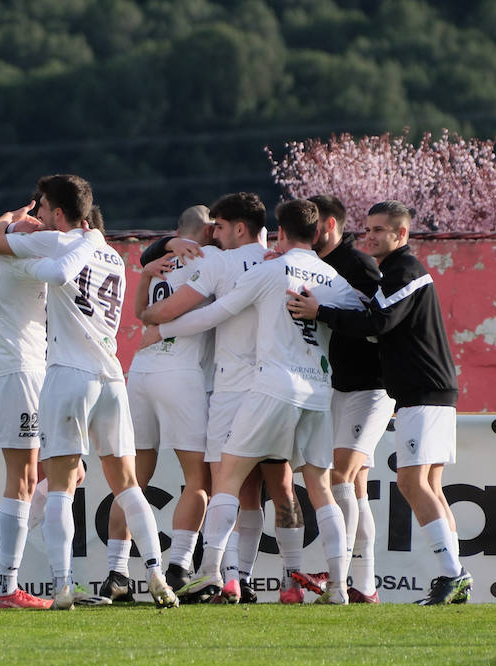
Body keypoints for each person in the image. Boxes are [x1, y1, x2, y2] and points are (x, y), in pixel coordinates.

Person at [150, 199, 364, 605]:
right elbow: (363, 317)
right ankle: (337, 587)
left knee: (227, 478)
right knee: (319, 488)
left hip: (271, 388)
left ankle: (212, 572)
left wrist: (161, 331)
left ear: (279, 233)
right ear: (318, 234)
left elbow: (216, 313)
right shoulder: (333, 277)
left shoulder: (270, 269)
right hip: (317, 391)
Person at [0, 174, 177, 610]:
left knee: (62, 486)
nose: (42, 216)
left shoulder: (60, 243)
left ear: (60, 214)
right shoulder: (113, 257)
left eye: (45, 208)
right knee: (127, 485)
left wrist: (15, 222)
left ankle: (63, 584)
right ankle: (157, 574)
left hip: (69, 374)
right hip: (112, 377)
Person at [288, 200, 471, 605]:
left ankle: (451, 574)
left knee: (410, 482)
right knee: (430, 487)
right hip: (421, 392)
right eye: (367, 228)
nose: (368, 235)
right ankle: (452, 577)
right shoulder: (393, 271)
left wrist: (321, 310)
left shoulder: (404, 271)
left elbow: (377, 322)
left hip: (422, 391)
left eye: (379, 230)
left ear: (401, 234)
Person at [0, 199, 100, 609]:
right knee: (23, 479)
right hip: (18, 370)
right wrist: (90, 236)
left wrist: (9, 219)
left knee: (72, 472)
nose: (42, 228)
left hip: (20, 370)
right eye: (34, 223)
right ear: (14, 235)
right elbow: (59, 265)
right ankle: (6, 587)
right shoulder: (19, 257)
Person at [139, 192, 274, 604]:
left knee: (214, 482)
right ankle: (254, 578)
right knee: (267, 487)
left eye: (221, 226)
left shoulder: (214, 261)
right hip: (275, 384)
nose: (215, 233)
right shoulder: (276, 260)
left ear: (236, 227)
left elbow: (169, 311)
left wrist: (154, 320)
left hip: (218, 383)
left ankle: (211, 573)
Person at [102, 204, 215, 603]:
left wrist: (150, 269)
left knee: (132, 482)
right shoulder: (210, 259)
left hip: (141, 372)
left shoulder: (160, 260)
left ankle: (116, 573)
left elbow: (139, 315)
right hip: (180, 373)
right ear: (207, 231)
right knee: (199, 479)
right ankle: (179, 565)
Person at [306, 194, 391, 604]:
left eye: (317, 222)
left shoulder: (356, 265)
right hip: (336, 387)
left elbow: (381, 324)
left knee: (339, 476)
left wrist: (321, 311)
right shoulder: (315, 264)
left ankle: (338, 575)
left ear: (333, 224)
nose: (312, 230)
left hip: (370, 388)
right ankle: (366, 587)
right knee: (356, 485)